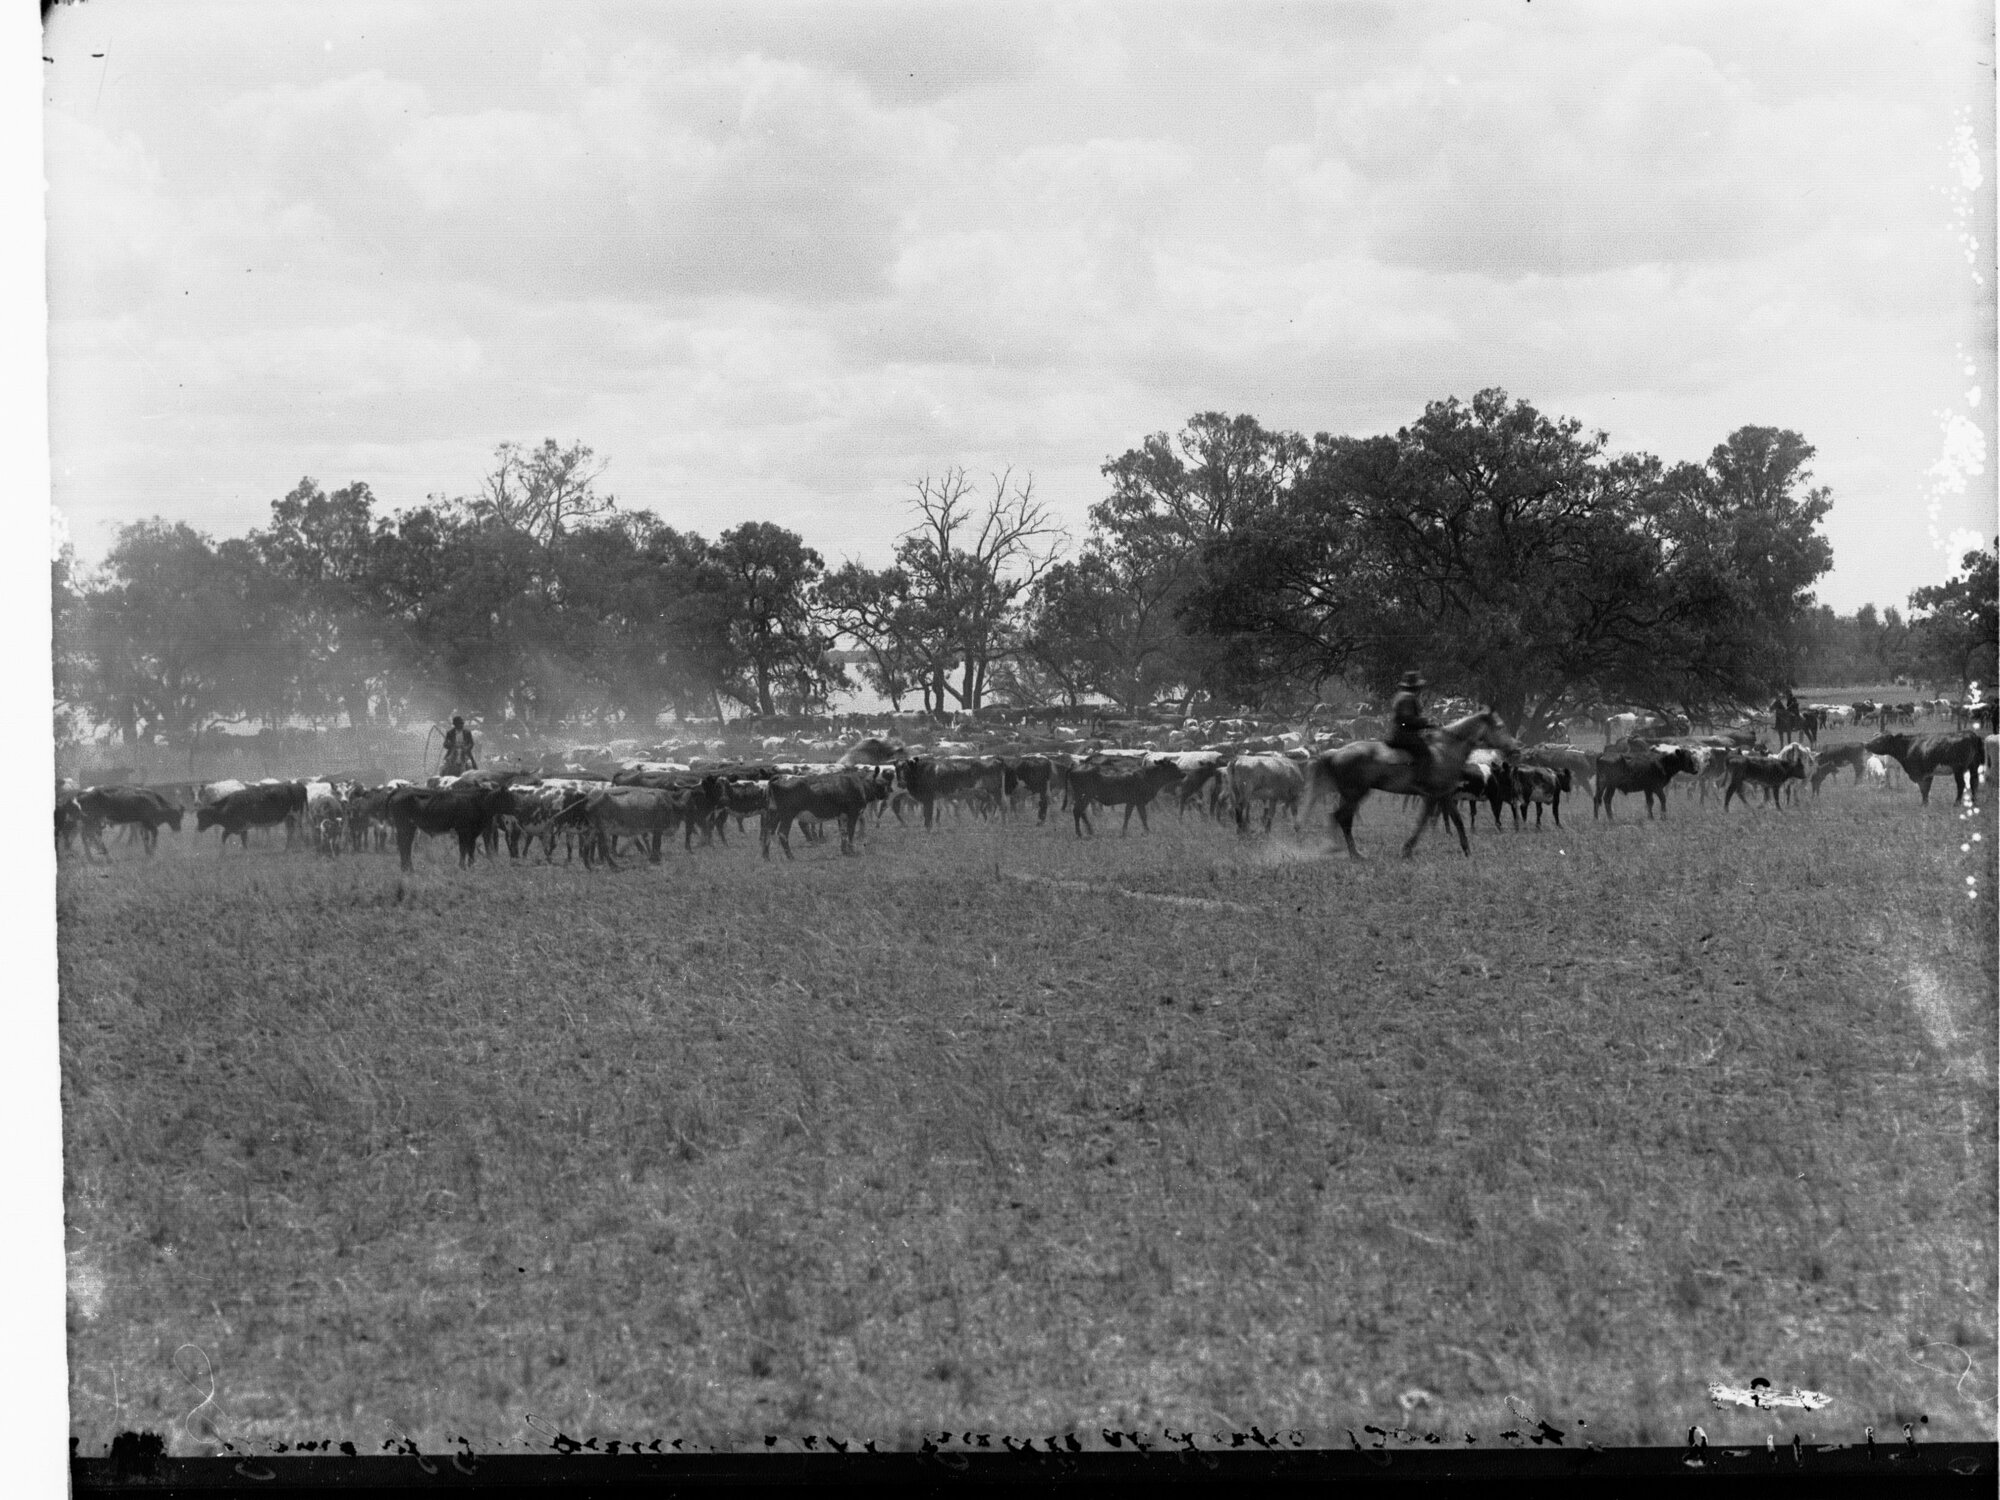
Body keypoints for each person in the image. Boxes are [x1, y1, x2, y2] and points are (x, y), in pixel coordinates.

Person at [1387, 672, 1433, 774]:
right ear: (1415, 687)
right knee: (1425, 753)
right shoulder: (1408, 698)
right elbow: (1407, 719)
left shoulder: (1401, 696)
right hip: (1404, 734)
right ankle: (1420, 779)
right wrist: (1424, 722)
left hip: (1399, 732)